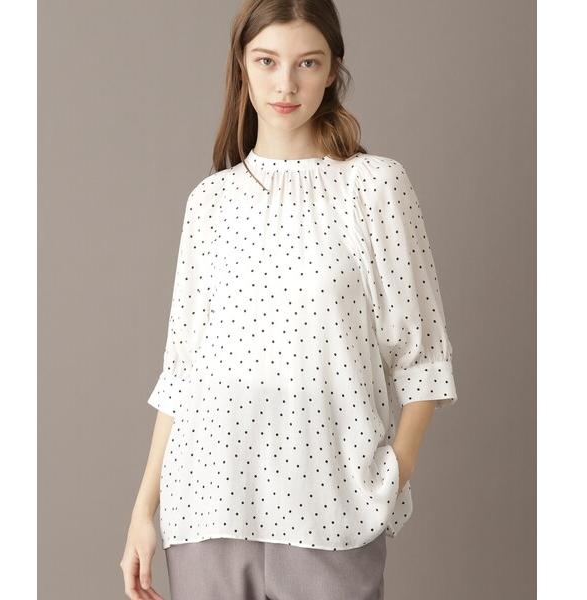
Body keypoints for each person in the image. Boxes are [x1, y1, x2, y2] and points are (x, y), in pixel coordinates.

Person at [120, 1, 459, 598]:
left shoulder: (374, 187)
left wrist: (390, 477)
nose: (285, 84)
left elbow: (423, 358)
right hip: (206, 504)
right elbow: (182, 371)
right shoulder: (210, 202)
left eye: (307, 62)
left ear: (332, 71)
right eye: (267, 61)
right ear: (242, 67)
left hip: (333, 508)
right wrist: (143, 512)